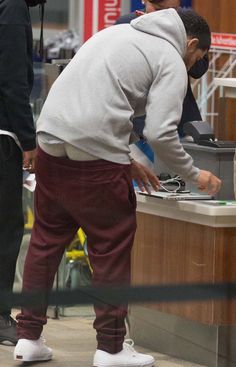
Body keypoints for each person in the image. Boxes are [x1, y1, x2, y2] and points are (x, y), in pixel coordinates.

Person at [14, 8, 221, 367]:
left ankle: (28, 338)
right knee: (111, 246)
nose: (193, 66)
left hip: (50, 140)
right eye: (198, 58)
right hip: (94, 156)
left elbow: (95, 101)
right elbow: (160, 133)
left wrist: (124, 158)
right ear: (191, 43)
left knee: (46, 243)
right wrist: (194, 175)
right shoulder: (170, 57)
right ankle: (110, 348)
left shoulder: (117, 34)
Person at [0, 0, 46, 346]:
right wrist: (29, 140)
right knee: (6, 228)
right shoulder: (13, 8)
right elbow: (13, 81)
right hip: (3, 137)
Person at [116, 0, 209, 138]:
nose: (165, 15)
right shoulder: (126, 23)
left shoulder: (188, 23)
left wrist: (179, 45)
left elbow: (199, 69)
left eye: (173, 9)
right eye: (159, 8)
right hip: (139, 117)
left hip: (181, 115)